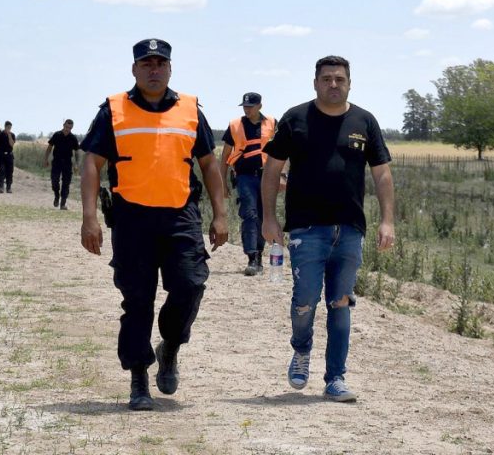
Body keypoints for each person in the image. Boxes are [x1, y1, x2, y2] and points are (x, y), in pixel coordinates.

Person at [79, 38, 228, 411]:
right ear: (134, 69)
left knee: (190, 286)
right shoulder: (113, 110)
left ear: (171, 68)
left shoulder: (191, 109)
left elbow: (209, 163)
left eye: (161, 63)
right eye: (146, 63)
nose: (154, 69)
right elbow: (92, 164)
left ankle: (171, 346)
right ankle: (138, 378)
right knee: (138, 301)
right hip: (132, 219)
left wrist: (221, 213)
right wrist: (89, 218)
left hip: (181, 215)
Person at [262, 55, 395, 403]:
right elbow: (272, 170)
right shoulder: (295, 119)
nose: (333, 84)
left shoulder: (364, 121)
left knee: (340, 302)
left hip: (350, 229)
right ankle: (301, 350)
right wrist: (269, 218)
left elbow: (381, 173)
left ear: (349, 82)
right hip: (307, 228)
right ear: (315, 83)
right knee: (305, 298)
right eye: (326, 79)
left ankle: (335, 378)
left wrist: (387, 220)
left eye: (339, 79)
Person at [220, 92, 276, 276]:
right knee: (250, 214)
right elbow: (225, 156)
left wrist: (283, 176)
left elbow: (283, 152)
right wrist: (222, 182)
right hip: (244, 177)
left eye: (250, 106)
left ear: (260, 105)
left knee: (262, 216)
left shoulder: (272, 123)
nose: (247, 109)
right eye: (245, 106)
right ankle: (252, 257)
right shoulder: (235, 125)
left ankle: (259, 255)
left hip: (267, 177)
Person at [45, 120, 81, 209]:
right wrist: (46, 159)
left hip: (67, 163)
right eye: (66, 127)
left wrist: (76, 164)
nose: (67, 129)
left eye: (70, 128)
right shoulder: (57, 135)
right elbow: (49, 148)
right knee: (54, 181)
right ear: (63, 125)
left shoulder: (73, 138)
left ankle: (63, 204)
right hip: (56, 161)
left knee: (66, 183)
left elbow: (77, 152)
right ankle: (57, 196)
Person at [0, 121, 17, 193]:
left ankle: (9, 187)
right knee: (2, 171)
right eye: (8, 127)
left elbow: (12, 145)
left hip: (9, 155)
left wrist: (9, 135)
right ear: (5, 126)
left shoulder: (12, 135)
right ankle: (1, 187)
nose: (9, 129)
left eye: (10, 127)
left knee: (10, 172)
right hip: (1, 155)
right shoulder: (0, 135)